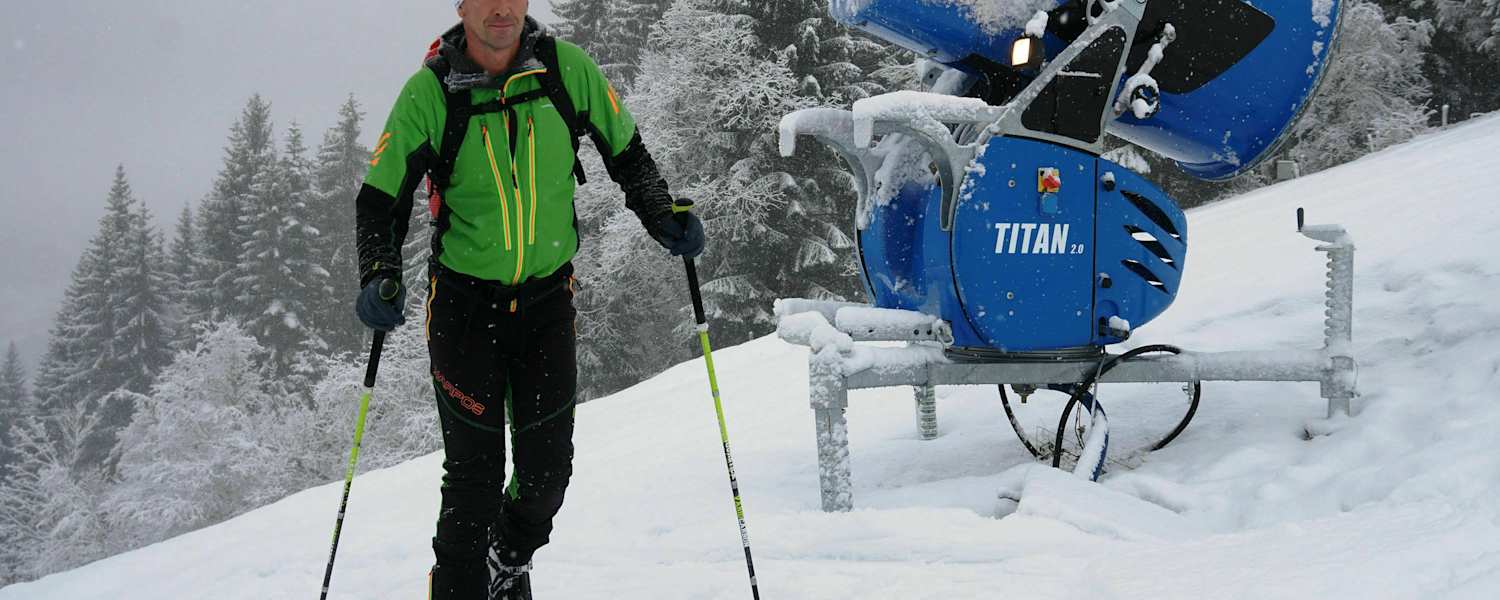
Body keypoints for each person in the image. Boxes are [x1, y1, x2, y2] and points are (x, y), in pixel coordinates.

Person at [353, 0, 704, 597]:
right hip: (464, 309)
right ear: (462, 7)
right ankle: (458, 586)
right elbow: (380, 200)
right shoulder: (431, 93)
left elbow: (628, 153)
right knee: (473, 480)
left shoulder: (566, 71)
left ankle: (506, 559)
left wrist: (661, 213)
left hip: (545, 304)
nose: (500, 9)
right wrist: (378, 272)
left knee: (547, 476)